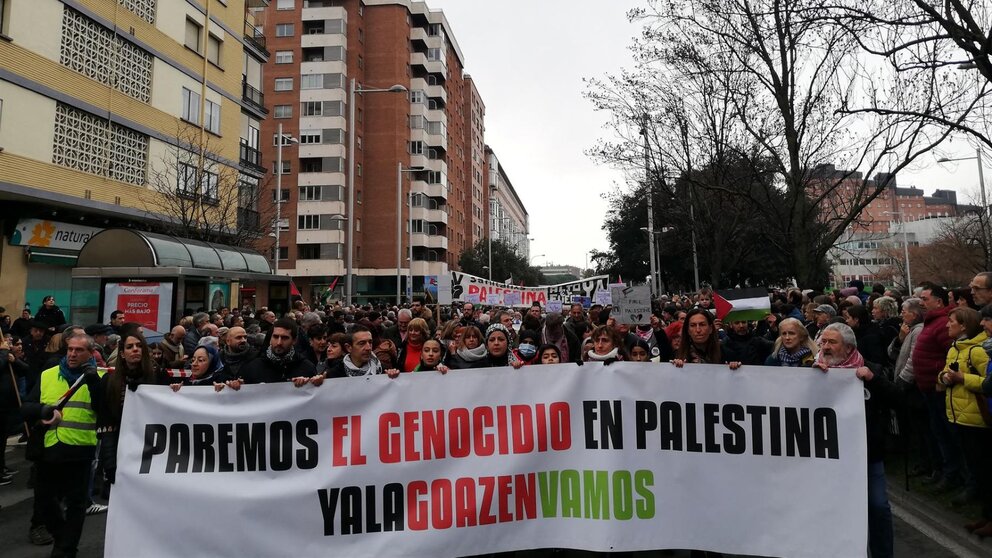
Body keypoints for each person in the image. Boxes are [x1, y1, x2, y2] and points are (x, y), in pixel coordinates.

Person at [814, 323, 897, 558]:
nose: (826, 347)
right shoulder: (812, 370)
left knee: (878, 507)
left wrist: (873, 379)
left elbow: (898, 399)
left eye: (832, 342)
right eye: (824, 342)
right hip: (828, 458)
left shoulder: (870, 369)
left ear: (849, 347)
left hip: (867, 456)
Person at [22, 332, 105, 558]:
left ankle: (66, 550)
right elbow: (26, 407)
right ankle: (63, 538)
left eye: (79, 350)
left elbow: (104, 411)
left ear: (90, 353)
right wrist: (43, 411)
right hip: (48, 449)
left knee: (76, 505)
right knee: (45, 501)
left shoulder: (98, 377)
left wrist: (94, 383)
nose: (72, 354)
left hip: (80, 451)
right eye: (70, 349)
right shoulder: (49, 374)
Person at [98, 331, 168, 492]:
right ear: (122, 354)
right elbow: (106, 421)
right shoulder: (109, 381)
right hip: (121, 447)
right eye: (130, 347)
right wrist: (109, 462)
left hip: (153, 448)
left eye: (139, 346)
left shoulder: (159, 375)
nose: (135, 349)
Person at [936, 306, 990, 512]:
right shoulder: (953, 348)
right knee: (969, 458)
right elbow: (943, 373)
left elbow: (989, 382)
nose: (947, 325)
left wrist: (962, 378)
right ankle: (975, 492)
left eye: (952, 321)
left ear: (964, 325)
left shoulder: (977, 351)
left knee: (980, 461)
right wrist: (945, 378)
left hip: (976, 416)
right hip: (958, 414)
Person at [912, 284, 962, 492]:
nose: (922, 304)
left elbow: (950, 355)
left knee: (946, 433)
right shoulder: (932, 321)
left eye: (925, 299)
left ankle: (953, 475)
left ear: (938, 301)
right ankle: (942, 470)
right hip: (929, 388)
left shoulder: (942, 323)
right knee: (937, 432)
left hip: (938, 389)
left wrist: (938, 375)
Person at [240, 319, 321, 386]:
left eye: (284, 338)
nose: (279, 342)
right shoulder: (253, 367)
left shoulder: (307, 368)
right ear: (270, 338)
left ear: (294, 340)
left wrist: (310, 384)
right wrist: (235, 386)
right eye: (275, 337)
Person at [672, 308, 742, 369]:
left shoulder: (727, 354)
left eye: (702, 324)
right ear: (688, 330)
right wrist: (676, 368)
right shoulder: (678, 354)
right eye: (693, 325)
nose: (698, 330)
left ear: (711, 328)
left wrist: (734, 369)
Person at [170, 345, 234, 391]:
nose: (194, 364)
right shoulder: (187, 381)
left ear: (212, 362)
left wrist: (227, 389)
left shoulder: (223, 380)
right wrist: (177, 391)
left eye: (200, 360)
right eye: (193, 360)